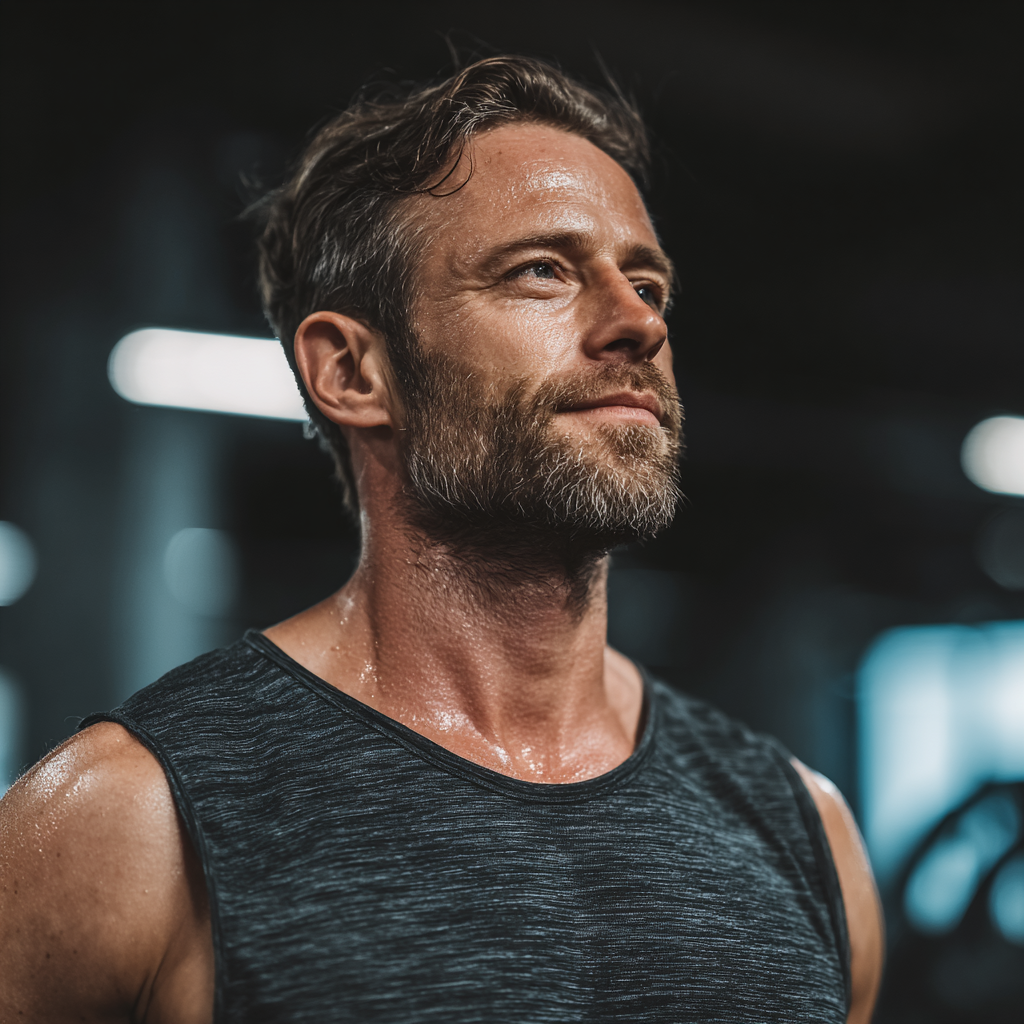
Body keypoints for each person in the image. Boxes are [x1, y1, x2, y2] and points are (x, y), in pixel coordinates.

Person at [0, 56, 883, 1022]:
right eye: (541, 272)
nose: (639, 323)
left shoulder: (807, 830)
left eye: (648, 283)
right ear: (353, 372)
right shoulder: (127, 819)